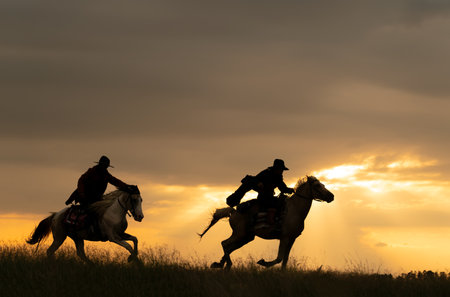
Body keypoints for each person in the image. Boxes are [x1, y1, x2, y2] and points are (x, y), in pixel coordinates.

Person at [65, 156, 130, 206]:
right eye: (104, 166)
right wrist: (82, 193)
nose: (105, 167)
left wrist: (127, 186)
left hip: (97, 197)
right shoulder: (91, 172)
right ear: (100, 164)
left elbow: (115, 181)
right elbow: (81, 181)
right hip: (85, 196)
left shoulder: (106, 174)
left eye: (106, 166)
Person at [254, 159, 294, 224]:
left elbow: (282, 188)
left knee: (283, 201)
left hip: (270, 196)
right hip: (263, 197)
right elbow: (254, 180)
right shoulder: (265, 173)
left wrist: (291, 190)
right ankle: (270, 222)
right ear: (277, 168)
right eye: (281, 169)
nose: (282, 171)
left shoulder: (278, 176)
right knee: (273, 203)